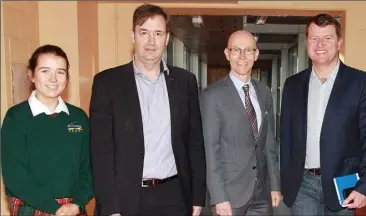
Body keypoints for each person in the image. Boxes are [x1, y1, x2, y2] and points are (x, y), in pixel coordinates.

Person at [89, 3, 205, 216]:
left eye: (158, 33)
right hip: (127, 199)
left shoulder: (185, 82)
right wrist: (110, 207)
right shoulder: (107, 82)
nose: (151, 41)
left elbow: (194, 143)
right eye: (144, 33)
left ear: (167, 39)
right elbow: (100, 151)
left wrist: (198, 196)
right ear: (133, 36)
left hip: (175, 196)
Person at [279, 14, 366, 215]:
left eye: (327, 37)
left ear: (339, 42)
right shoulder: (292, 85)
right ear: (307, 42)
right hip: (302, 185)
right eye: (314, 38)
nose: (320, 44)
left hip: (344, 183)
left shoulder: (361, 83)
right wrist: (286, 182)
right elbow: (286, 138)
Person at [1, 44, 93, 216]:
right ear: (31, 74)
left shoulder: (78, 117)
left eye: (60, 72)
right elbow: (15, 176)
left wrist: (77, 204)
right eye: (45, 71)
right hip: (30, 206)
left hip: (73, 208)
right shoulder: (16, 118)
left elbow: (89, 168)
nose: (53, 79)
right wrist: (54, 208)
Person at [200, 30, 282, 216]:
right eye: (236, 50)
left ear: (256, 54)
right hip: (229, 195)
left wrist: (275, 185)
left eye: (248, 50)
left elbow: (269, 143)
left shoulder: (264, 92)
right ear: (227, 54)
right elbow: (210, 150)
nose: (242, 56)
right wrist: (219, 197)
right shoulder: (212, 96)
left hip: (261, 194)